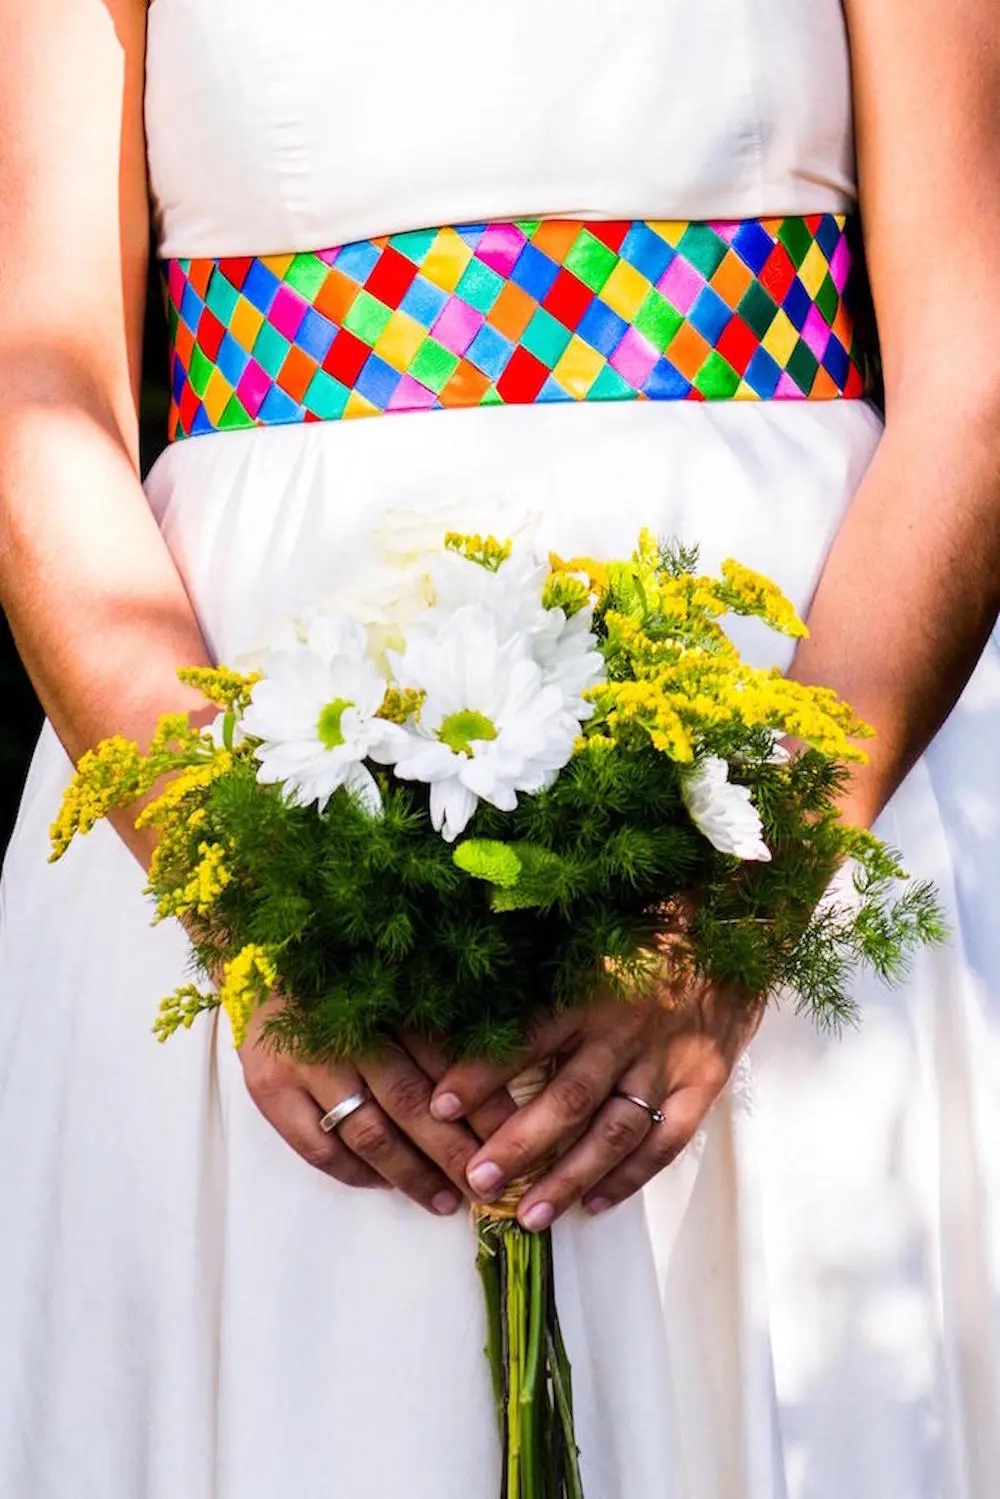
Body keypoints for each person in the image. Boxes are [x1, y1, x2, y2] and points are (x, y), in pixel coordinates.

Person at [1, 1, 998, 1494]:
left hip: (794, 751)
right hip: (247, 795)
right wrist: (244, 899)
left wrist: (747, 906)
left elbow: (976, 368)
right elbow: (36, 387)